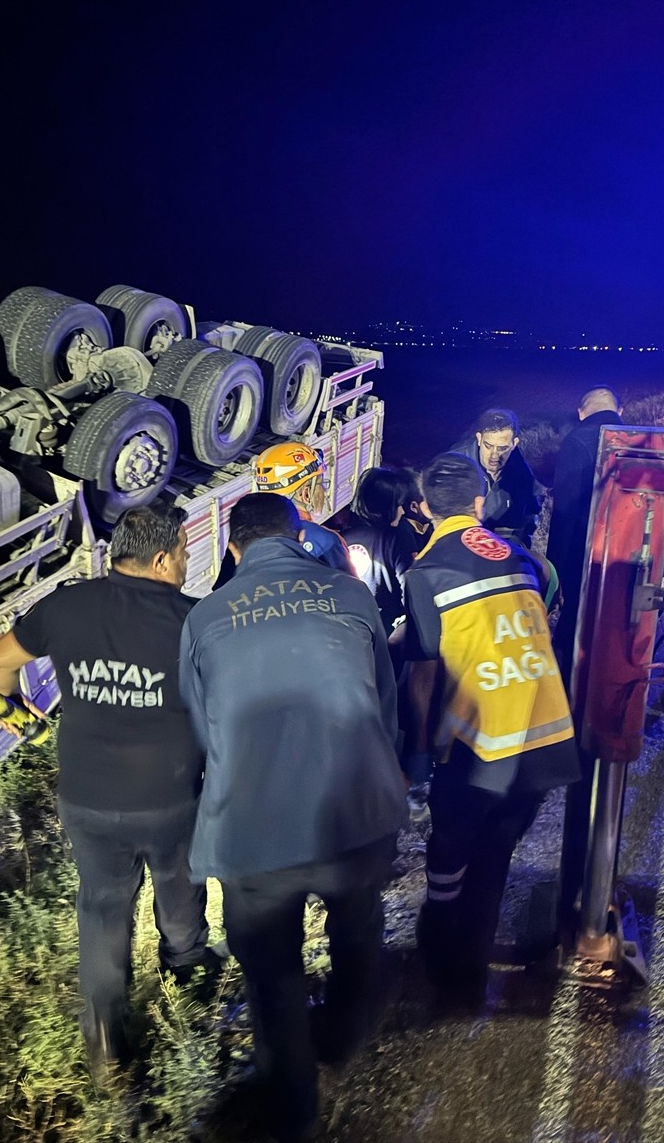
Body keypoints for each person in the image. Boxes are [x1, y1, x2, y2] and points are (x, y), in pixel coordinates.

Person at [179, 492, 407, 1143]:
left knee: (271, 970)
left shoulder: (205, 617)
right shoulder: (353, 597)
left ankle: (295, 1108)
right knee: (359, 930)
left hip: (254, 827)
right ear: (300, 533)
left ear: (232, 547)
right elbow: (384, 709)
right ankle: (341, 1038)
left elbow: (201, 727)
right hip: (355, 813)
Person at [0, 504, 213, 1076]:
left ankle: (106, 1049)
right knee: (180, 897)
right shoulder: (195, 621)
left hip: (86, 800)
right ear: (162, 560)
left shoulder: (65, 606)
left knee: (103, 912)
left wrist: (18, 716)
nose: (186, 563)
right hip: (171, 801)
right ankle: (191, 989)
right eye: (183, 554)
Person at [402, 452, 579, 1006]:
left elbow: (424, 678)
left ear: (426, 508)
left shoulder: (426, 572)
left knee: (450, 851)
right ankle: (470, 972)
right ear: (481, 504)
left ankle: (442, 952)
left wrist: (420, 750)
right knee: (496, 854)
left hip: (481, 746)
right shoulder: (523, 558)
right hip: (544, 740)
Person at [545, 385, 623, 679]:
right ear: (619, 411)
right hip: (632, 557)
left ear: (581, 413)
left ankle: (564, 695)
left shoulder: (576, 441)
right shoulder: (643, 439)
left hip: (585, 556)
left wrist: (555, 573)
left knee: (574, 626)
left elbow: (564, 514)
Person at [212, 441, 352, 588]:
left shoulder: (243, 536)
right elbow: (352, 594)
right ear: (306, 494)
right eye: (320, 484)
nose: (324, 490)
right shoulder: (325, 541)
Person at [340, 466, 416, 635]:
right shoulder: (396, 538)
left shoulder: (342, 538)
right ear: (385, 506)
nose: (402, 511)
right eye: (398, 505)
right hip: (389, 628)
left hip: (352, 628)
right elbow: (412, 589)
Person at [455, 407, 540, 547]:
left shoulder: (522, 472)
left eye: (502, 448)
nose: (494, 456)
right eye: (488, 446)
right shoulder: (456, 467)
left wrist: (517, 545)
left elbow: (529, 514)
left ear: (514, 444)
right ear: (479, 438)